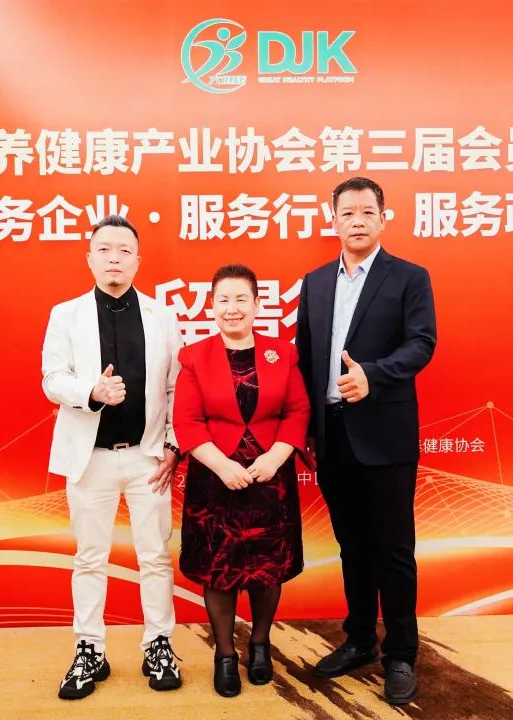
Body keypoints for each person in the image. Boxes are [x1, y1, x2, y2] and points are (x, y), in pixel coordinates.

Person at [295, 177, 437, 706]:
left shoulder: (409, 278)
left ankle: (400, 654)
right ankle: (359, 640)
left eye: (366, 212)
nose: (356, 221)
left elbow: (422, 343)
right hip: (333, 435)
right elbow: (306, 356)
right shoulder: (315, 282)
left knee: (394, 549)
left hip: (385, 434)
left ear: (383, 218)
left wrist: (372, 375)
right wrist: (309, 428)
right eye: (347, 213)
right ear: (332, 220)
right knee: (352, 547)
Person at [41, 215, 185, 699]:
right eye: (104, 249)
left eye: (124, 250)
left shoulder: (162, 316)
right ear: (90, 258)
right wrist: (92, 392)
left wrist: (171, 446)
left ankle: (159, 644)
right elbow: (51, 378)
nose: (114, 258)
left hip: (148, 458)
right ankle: (89, 649)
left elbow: (175, 387)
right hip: (91, 458)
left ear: (138, 260)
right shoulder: (66, 314)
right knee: (89, 558)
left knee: (155, 557)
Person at [173, 264, 309, 697]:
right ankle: (225, 654)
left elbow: (297, 410)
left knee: (268, 569)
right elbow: (187, 421)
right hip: (215, 481)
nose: (232, 309)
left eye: (241, 299)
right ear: (211, 305)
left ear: (256, 304)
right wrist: (222, 465)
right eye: (223, 300)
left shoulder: (281, 353)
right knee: (219, 569)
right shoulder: (194, 357)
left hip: (271, 477)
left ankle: (260, 644)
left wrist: (276, 457)